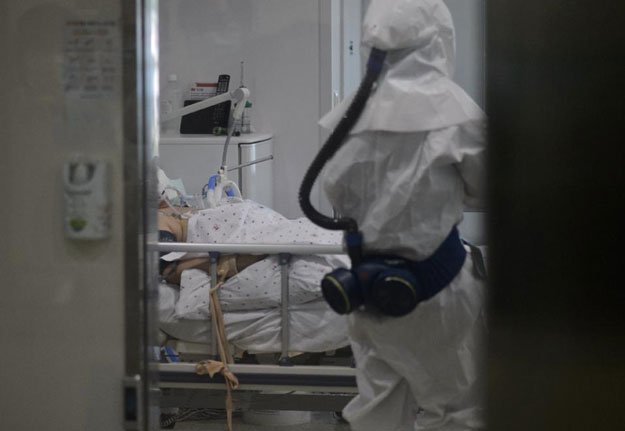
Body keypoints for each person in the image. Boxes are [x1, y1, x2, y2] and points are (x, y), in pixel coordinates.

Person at [318, 1, 487, 429]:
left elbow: (335, 191)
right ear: (437, 40)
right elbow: (486, 186)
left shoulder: (350, 116)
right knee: (454, 409)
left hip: (368, 291)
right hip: (438, 288)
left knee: (378, 407)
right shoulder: (455, 114)